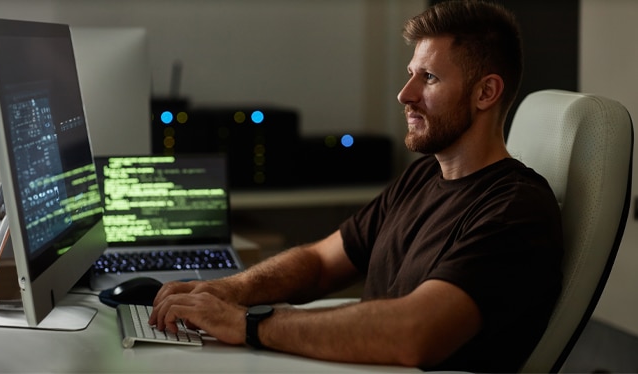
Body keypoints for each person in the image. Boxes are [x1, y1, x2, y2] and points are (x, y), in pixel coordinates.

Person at [149, 1, 563, 372]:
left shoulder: (515, 209)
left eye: (430, 78)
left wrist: (247, 324)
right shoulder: (424, 176)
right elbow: (321, 262)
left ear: (486, 92)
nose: (405, 94)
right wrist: (227, 291)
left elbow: (413, 333)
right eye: (410, 74)